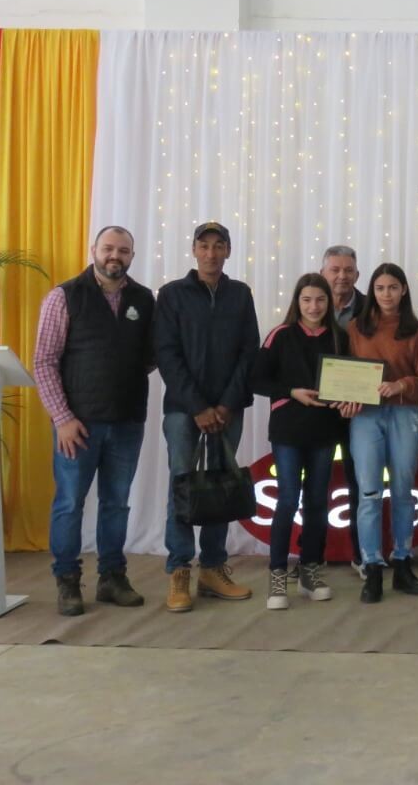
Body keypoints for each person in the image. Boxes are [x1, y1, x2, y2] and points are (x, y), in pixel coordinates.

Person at [33, 226, 154, 616]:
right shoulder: (64, 296)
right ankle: (67, 581)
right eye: (108, 249)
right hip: (77, 426)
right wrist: (62, 417)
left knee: (116, 504)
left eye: (123, 250)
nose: (114, 255)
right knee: (70, 503)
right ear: (93, 251)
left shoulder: (144, 298)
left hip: (127, 422)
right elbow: (44, 361)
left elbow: (150, 356)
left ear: (132, 256)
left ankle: (112, 578)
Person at [153, 222, 260, 612]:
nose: (211, 253)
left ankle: (213, 568)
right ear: (194, 251)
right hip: (184, 410)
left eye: (219, 246)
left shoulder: (240, 294)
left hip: (228, 408)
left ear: (229, 251)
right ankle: (179, 569)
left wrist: (226, 404)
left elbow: (249, 352)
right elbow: (166, 353)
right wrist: (198, 406)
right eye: (204, 246)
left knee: (220, 484)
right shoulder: (172, 295)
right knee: (183, 485)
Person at [251, 273, 354, 610]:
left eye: (320, 300)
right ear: (297, 301)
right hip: (288, 432)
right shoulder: (280, 335)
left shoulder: (340, 337)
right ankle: (278, 574)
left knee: (317, 502)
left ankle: (311, 569)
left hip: (324, 433)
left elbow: (352, 381)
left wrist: (352, 399)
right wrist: (291, 391)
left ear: (329, 302)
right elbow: (257, 379)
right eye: (307, 299)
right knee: (287, 499)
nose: (314, 306)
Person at [347, 263, 418, 604]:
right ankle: (372, 566)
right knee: (369, 493)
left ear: (403, 291)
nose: (386, 294)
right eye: (380, 288)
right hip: (366, 418)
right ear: (373, 291)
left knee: (402, 491)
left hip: (404, 415)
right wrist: (346, 397)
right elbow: (343, 373)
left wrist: (401, 385)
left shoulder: (416, 332)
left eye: (393, 288)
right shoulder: (356, 328)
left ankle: (402, 561)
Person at [320, 244, 366, 573]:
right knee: (316, 483)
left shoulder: (372, 308)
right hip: (317, 411)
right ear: (324, 273)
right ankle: (312, 553)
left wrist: (358, 396)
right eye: (335, 269)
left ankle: (362, 554)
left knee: (360, 483)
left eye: (348, 270)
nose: (341, 276)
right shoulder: (309, 303)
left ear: (357, 275)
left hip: (359, 412)